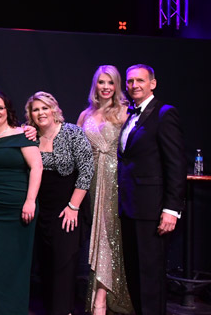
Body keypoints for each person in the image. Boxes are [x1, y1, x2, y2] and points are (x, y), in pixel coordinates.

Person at [118, 64, 185, 315]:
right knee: (135, 273)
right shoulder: (130, 114)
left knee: (150, 276)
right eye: (130, 81)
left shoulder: (164, 114)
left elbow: (176, 165)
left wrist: (171, 209)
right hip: (130, 207)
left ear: (152, 84)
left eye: (140, 81)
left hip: (153, 209)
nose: (134, 85)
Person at [25, 91, 94, 315]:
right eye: (36, 109)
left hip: (68, 206)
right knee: (45, 264)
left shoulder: (73, 132)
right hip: (40, 206)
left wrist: (73, 207)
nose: (41, 112)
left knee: (63, 264)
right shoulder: (30, 137)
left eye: (45, 107)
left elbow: (86, 171)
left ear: (54, 109)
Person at [0, 91, 43, 315]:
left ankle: (10, 308)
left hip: (18, 207)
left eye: (0, 108)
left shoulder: (22, 135)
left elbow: (36, 167)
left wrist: (30, 200)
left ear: (7, 111)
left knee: (13, 262)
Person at [77, 65, 133, 314]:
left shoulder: (124, 111)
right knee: (96, 235)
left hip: (115, 182)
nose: (106, 87)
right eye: (102, 82)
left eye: (111, 82)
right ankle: (99, 293)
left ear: (117, 85)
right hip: (91, 182)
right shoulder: (84, 115)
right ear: (95, 85)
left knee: (109, 237)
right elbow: (77, 151)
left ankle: (101, 298)